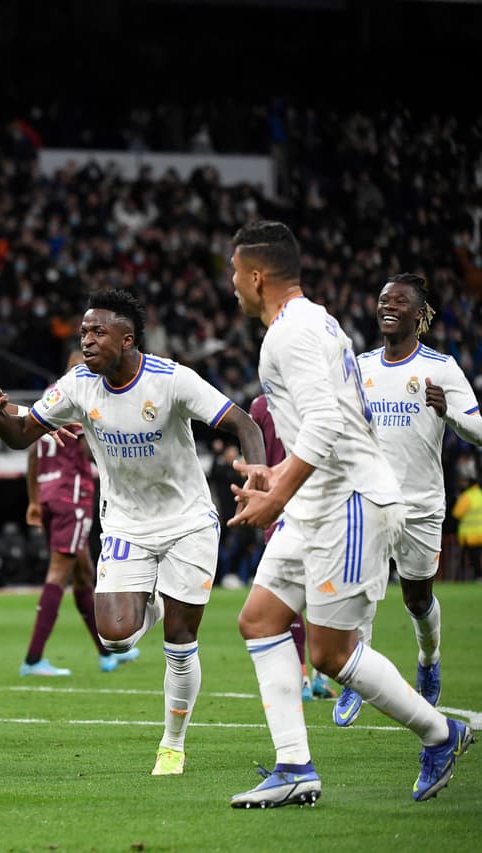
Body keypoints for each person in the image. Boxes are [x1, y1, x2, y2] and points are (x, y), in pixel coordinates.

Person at [227, 220, 472, 807]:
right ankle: (295, 767)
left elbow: (327, 422)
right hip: (319, 500)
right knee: (258, 621)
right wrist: (277, 477)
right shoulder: (315, 322)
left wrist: (280, 490)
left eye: (235, 273)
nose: (232, 284)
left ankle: (442, 734)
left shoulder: (290, 334)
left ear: (256, 277)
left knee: (330, 654)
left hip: (350, 502)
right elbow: (325, 415)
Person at [0, 288, 267, 777]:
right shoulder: (77, 385)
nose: (86, 339)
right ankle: (157, 601)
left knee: (179, 640)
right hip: (126, 524)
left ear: (127, 338)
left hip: (188, 521)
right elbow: (19, 434)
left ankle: (172, 745)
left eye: (98, 331)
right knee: (114, 636)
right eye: (84, 331)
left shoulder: (171, 379)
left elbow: (244, 424)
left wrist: (259, 479)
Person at [334, 273, 482, 725]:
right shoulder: (360, 366)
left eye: (399, 301)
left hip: (421, 505)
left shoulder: (441, 368)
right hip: (368, 500)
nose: (387, 307)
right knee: (360, 593)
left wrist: (449, 412)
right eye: (382, 300)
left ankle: (428, 657)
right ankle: (358, 676)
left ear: (419, 314)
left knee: (417, 600)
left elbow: (479, 430)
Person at [20, 354, 140, 677]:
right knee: (59, 572)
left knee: (83, 573)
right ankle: (33, 659)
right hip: (71, 495)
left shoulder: (49, 397)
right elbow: (92, 446)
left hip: (47, 492)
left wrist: (33, 499)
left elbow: (32, 451)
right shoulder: (82, 396)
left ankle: (106, 653)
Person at [249, 394, 336, 704]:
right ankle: (320, 677)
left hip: (278, 504)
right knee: (322, 589)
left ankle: (301, 675)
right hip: (317, 502)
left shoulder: (260, 406)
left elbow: (255, 459)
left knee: (290, 595)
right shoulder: (318, 401)